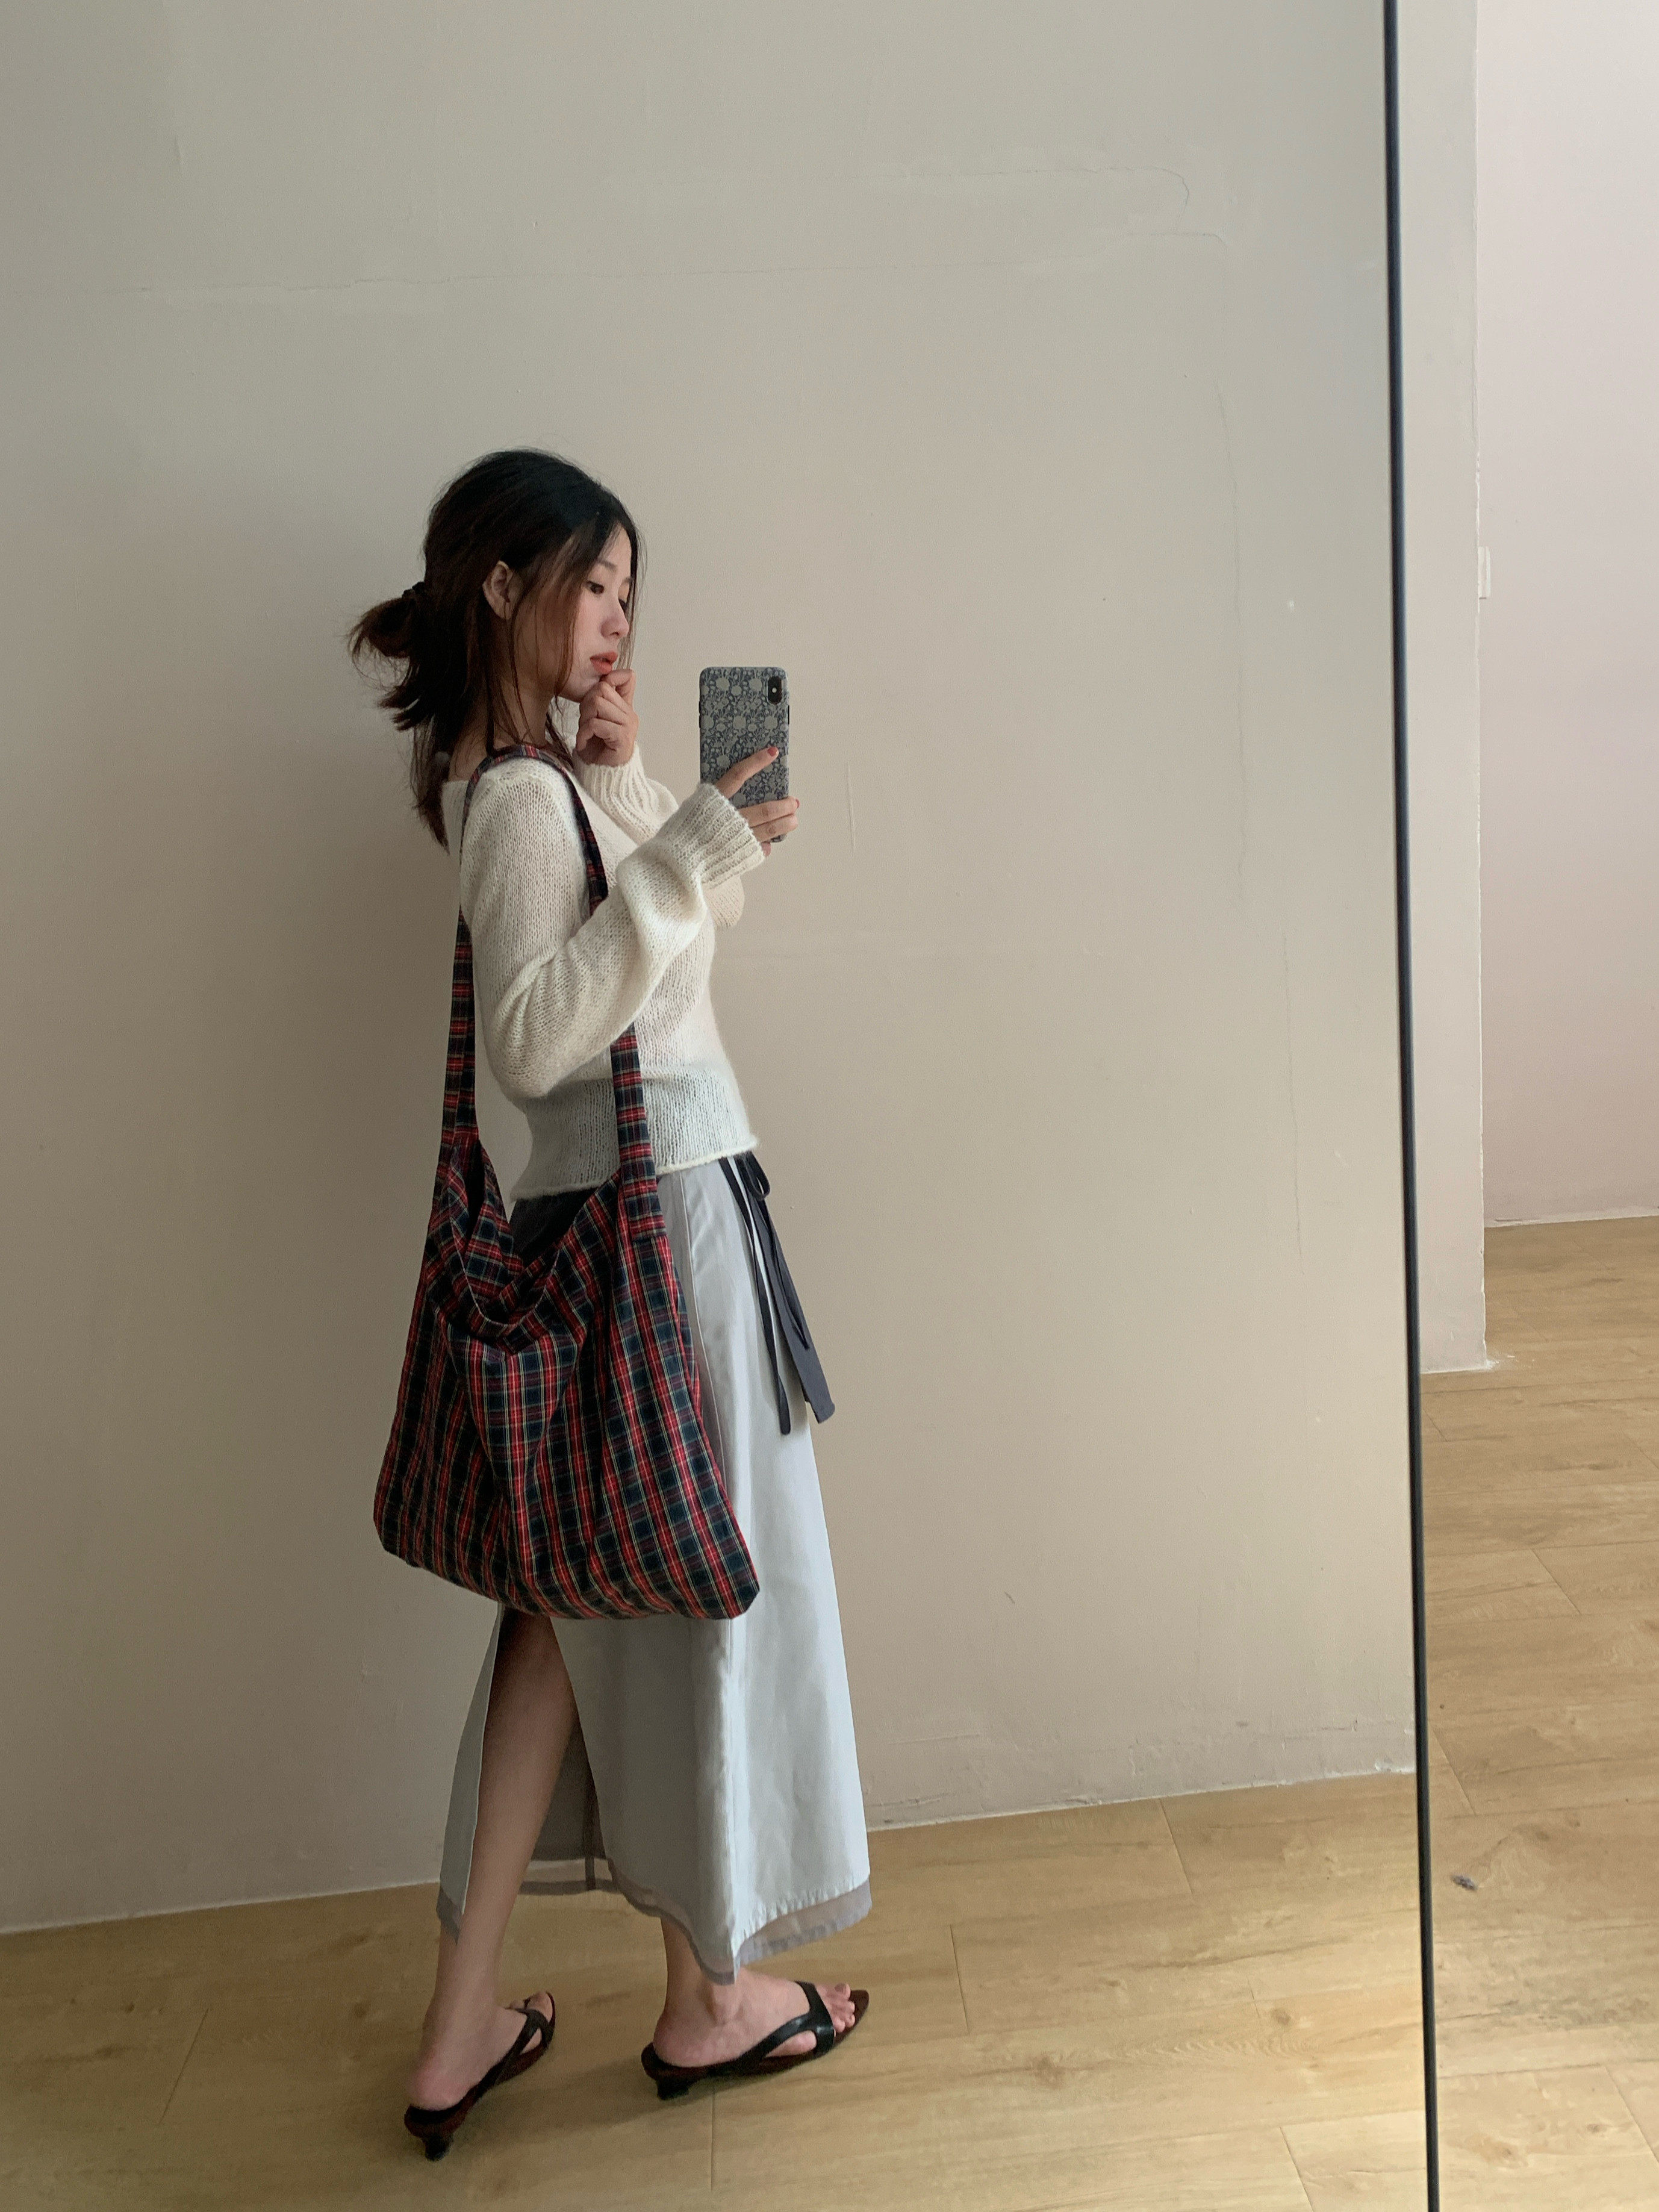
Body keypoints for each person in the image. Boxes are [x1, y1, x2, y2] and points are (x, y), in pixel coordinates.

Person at [350, 449, 870, 2156]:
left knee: (567, 1622)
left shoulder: (547, 787)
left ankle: (461, 2030)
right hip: (661, 1233)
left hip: (620, 1230)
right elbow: (534, 1041)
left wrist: (647, 789)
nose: (616, 619)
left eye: (631, 594)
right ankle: (711, 1998)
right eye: (594, 584)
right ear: (506, 584)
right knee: (692, 1595)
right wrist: (674, 833)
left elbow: (680, 937)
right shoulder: (514, 803)